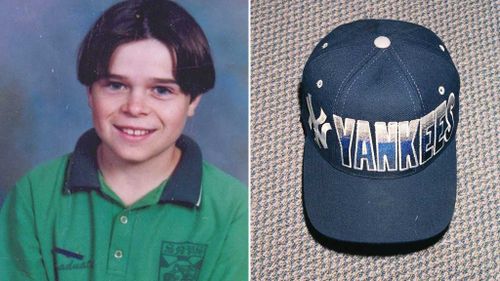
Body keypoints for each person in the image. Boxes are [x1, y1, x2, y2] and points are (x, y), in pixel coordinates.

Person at [0, 1, 247, 280]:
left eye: (162, 90)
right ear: (90, 93)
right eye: (116, 85)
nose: (135, 107)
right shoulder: (34, 195)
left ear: (193, 101)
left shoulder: (234, 210)